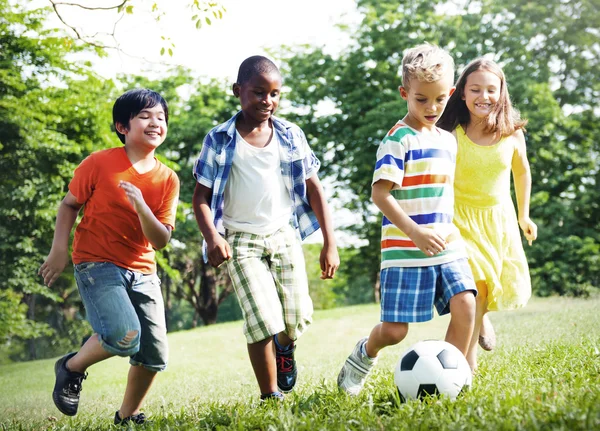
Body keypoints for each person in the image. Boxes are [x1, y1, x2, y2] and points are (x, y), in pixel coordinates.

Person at [192, 55, 340, 401]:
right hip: (240, 241)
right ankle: (269, 394)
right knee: (260, 317)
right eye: (259, 93)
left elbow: (314, 188)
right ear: (237, 91)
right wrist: (212, 237)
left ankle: (285, 349)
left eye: (274, 94)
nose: (267, 102)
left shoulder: (290, 135)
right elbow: (200, 197)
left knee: (296, 318)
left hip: (284, 234)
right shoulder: (219, 139)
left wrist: (329, 242)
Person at [337, 44, 477, 395]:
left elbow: (444, 193)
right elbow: (379, 194)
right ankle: (362, 355)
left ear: (452, 95)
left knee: (466, 304)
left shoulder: (448, 140)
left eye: (439, 99)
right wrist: (414, 232)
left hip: (446, 243)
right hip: (405, 249)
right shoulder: (397, 140)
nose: (431, 108)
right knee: (395, 331)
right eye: (421, 100)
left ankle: (453, 379)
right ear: (405, 94)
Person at [39, 89, 180, 425]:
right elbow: (69, 204)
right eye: (145, 116)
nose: (155, 122)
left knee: (154, 353)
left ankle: (127, 416)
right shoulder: (100, 163)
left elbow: (160, 239)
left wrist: (143, 207)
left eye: (160, 117)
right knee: (124, 336)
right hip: (96, 264)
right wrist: (59, 250)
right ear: (122, 126)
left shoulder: (167, 179)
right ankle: (71, 367)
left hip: (143, 271)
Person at [437, 58, 537, 371]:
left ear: (501, 93)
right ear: (462, 94)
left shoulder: (512, 135)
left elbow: (521, 173)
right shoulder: (452, 134)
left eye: (491, 89)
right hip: (458, 221)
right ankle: (465, 365)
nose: (484, 96)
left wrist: (525, 216)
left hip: (497, 221)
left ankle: (481, 320)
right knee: (474, 286)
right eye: (476, 89)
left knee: (486, 287)